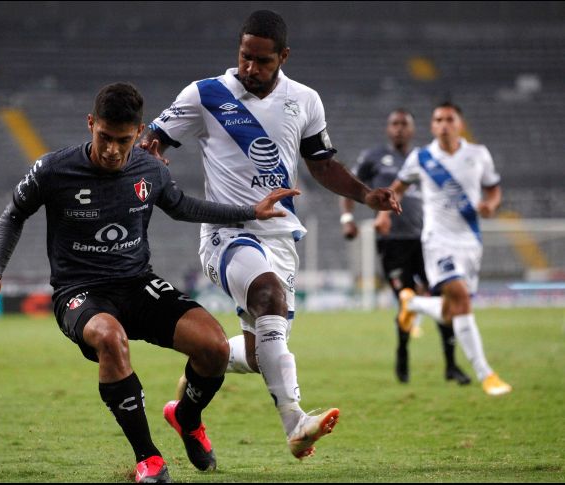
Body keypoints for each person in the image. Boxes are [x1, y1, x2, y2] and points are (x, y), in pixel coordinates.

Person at [0, 82, 299, 482]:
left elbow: (182, 207)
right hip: (80, 292)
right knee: (110, 339)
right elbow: (13, 214)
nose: (112, 149)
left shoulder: (149, 169)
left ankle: (186, 417)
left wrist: (251, 211)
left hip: (137, 283)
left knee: (213, 347)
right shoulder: (53, 170)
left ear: (139, 132)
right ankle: (149, 458)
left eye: (123, 140)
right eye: (104, 137)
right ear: (91, 124)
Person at [140, 10, 401, 459]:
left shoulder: (305, 100)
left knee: (263, 353)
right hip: (226, 232)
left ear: (283, 56)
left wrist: (365, 196)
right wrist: (153, 154)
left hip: (280, 238)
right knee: (268, 294)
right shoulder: (206, 94)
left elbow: (320, 164)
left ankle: (191, 397)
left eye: (262, 61)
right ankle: (296, 423)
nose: (250, 69)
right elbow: (155, 136)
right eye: (245, 57)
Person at [382, 101, 512, 396]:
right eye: (438, 119)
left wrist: (490, 205)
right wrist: (383, 214)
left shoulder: (478, 155)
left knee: (453, 310)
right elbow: (396, 188)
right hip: (437, 242)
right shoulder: (422, 157)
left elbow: (493, 187)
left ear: (459, 124)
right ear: (432, 126)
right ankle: (486, 374)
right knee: (462, 301)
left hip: (470, 241)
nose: (443, 124)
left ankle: (412, 303)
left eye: (449, 119)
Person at [339, 109, 470, 385]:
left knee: (444, 296)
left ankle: (451, 365)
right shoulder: (373, 158)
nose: (399, 129)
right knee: (406, 298)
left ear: (412, 130)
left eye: (404, 125)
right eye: (394, 124)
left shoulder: (425, 159)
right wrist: (348, 219)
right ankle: (403, 355)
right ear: (389, 129)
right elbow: (348, 188)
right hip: (392, 243)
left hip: (427, 242)